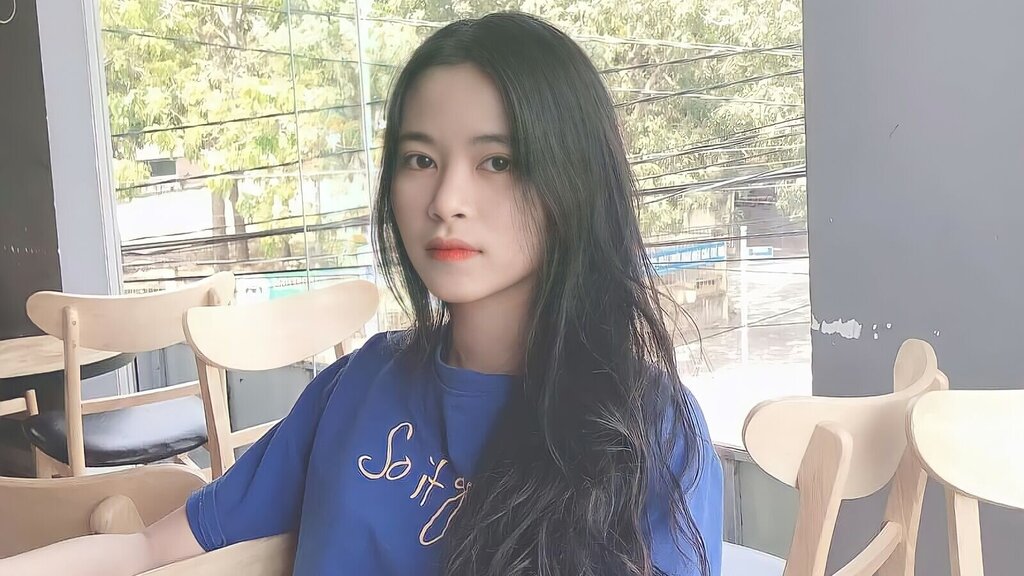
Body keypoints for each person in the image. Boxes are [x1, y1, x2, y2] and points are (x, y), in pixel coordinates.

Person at [0, 11, 722, 576]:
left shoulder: (648, 431)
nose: (446, 199)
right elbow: (146, 550)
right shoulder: (358, 385)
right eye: (420, 159)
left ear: (576, 180)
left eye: (497, 161)